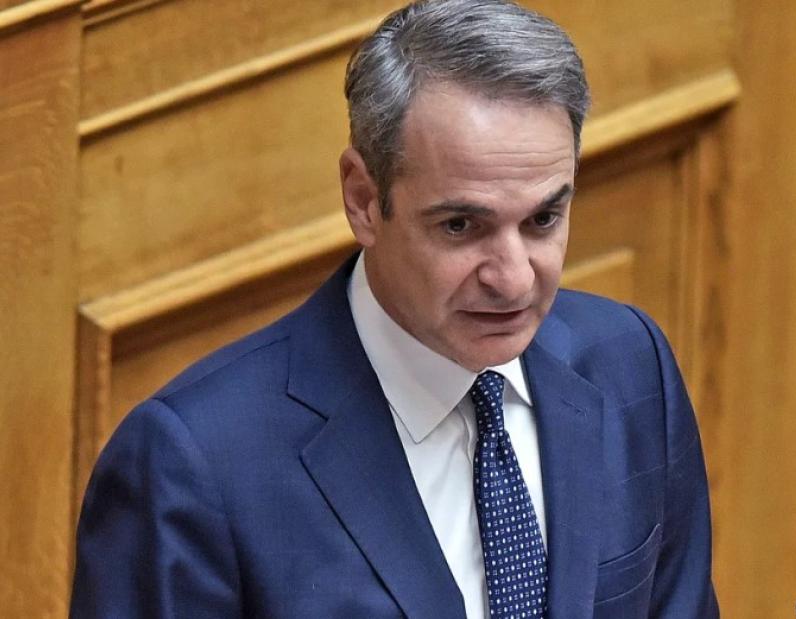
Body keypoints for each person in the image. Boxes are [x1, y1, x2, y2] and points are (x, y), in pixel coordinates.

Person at [70, 1, 718, 617]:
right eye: (461, 226)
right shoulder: (194, 464)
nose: (514, 279)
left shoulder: (629, 363)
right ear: (362, 199)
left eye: (543, 219)